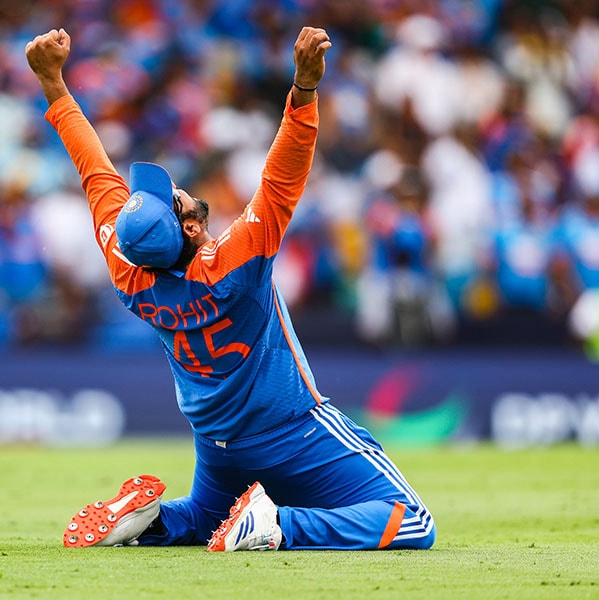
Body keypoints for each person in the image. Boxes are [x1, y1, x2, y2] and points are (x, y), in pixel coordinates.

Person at [25, 26, 436, 552]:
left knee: (202, 517)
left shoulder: (128, 269)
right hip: (290, 430)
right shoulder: (233, 262)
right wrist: (305, 91)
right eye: (170, 197)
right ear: (191, 227)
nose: (169, 186)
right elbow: (282, 180)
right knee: (414, 522)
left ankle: (148, 523)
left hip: (218, 444)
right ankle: (277, 527)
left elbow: (93, 173)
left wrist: (53, 86)